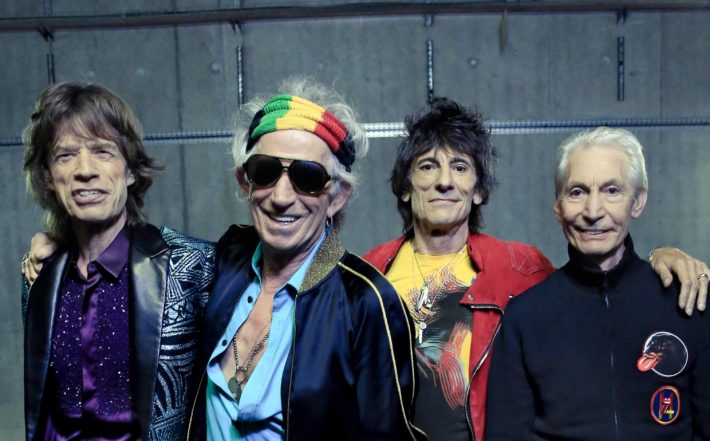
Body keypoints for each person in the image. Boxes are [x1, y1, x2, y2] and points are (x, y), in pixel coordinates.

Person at [363, 98, 709, 440]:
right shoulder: (368, 277)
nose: (444, 181)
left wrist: (661, 257)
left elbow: (596, 285)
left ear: (479, 190)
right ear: (405, 187)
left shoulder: (521, 268)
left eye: (460, 167)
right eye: (427, 167)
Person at [186, 78, 424, 440]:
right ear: (244, 182)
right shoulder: (226, 262)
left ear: (337, 196)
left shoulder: (366, 303)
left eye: (308, 177)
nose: (281, 197)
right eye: (264, 171)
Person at [485, 127, 710, 440]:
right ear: (558, 207)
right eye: (577, 192)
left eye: (611, 191)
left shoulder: (686, 301)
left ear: (638, 202)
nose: (593, 212)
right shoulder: (525, 318)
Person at [21, 83, 215, 441]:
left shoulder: (190, 264)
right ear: (49, 176)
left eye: (103, 151)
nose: (85, 170)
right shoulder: (39, 274)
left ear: (130, 170)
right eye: (65, 155)